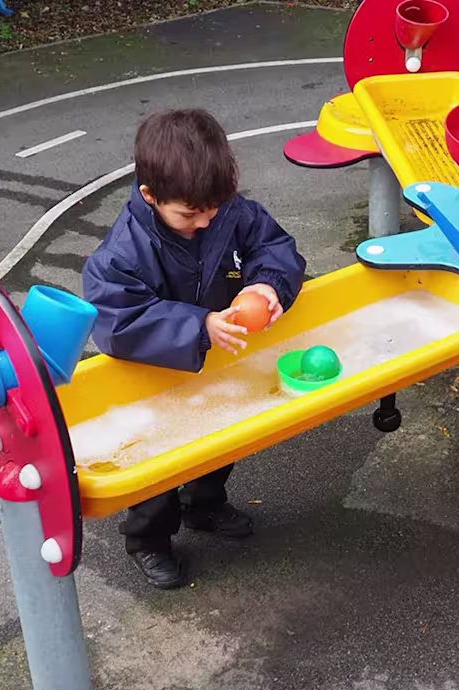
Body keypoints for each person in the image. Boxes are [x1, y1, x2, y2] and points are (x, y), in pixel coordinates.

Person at [81, 108, 307, 590]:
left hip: (216, 359)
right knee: (157, 463)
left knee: (218, 435)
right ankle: (149, 540)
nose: (205, 222)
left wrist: (267, 287)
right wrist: (199, 324)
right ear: (150, 196)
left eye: (213, 209)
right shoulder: (124, 252)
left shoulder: (229, 212)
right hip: (154, 372)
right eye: (190, 213)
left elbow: (276, 250)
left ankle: (203, 505)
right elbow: (118, 322)